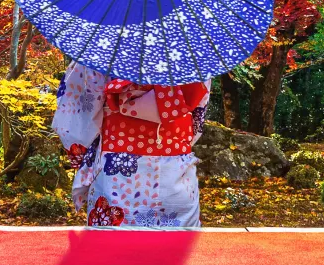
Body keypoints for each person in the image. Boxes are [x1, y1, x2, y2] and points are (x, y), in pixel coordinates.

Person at [52, 60, 211, 229]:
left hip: (116, 176)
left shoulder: (104, 50)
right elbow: (196, 122)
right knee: (174, 251)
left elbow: (76, 119)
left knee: (112, 250)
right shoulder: (194, 55)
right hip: (177, 175)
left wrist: (81, 157)